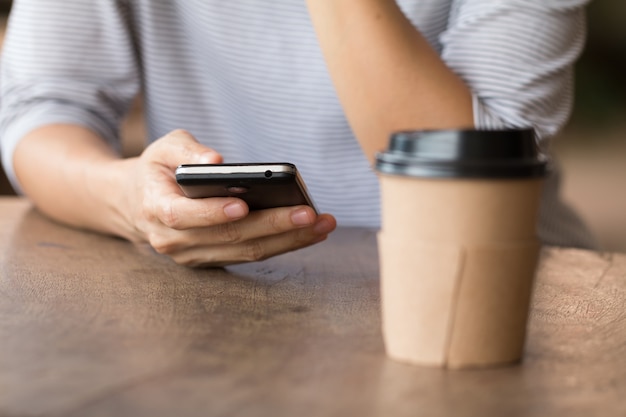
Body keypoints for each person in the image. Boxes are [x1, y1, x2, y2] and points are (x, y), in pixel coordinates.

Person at [0, 0, 597, 267]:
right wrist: (129, 199)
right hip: (225, 305)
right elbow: (43, 108)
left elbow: (479, 169)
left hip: (484, 296)